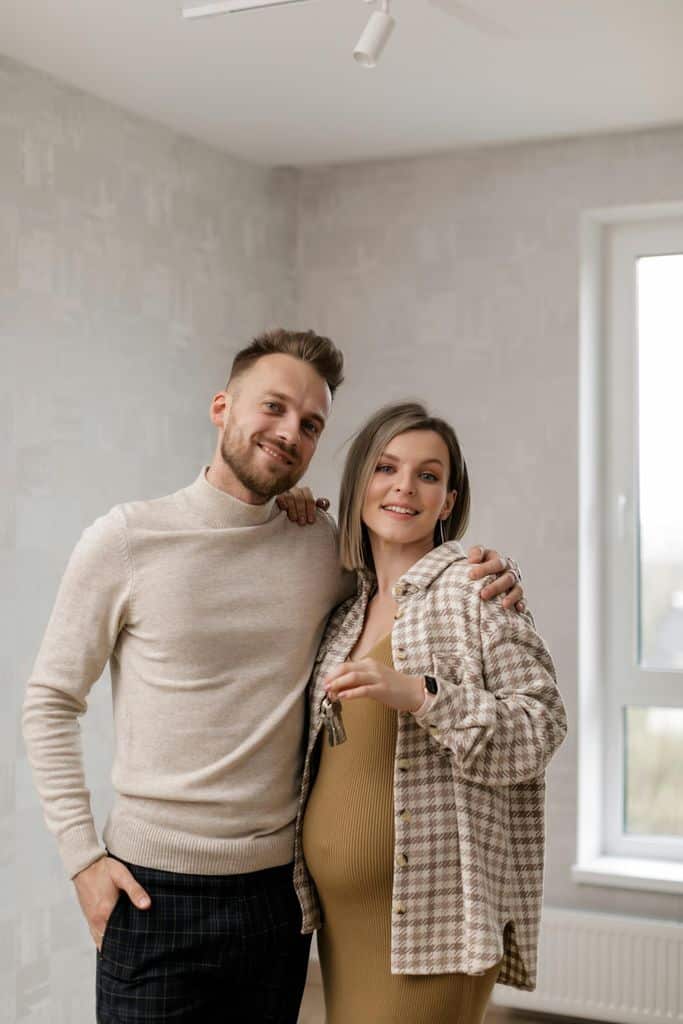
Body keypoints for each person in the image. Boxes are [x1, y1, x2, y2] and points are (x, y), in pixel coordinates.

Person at [21, 330, 526, 1024]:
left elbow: (406, 567)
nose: (289, 432)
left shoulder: (320, 547)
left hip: (276, 898)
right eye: (273, 408)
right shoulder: (126, 541)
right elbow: (49, 702)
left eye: (310, 424)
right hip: (151, 892)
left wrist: (491, 569)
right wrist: (82, 859)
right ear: (222, 407)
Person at [289, 401, 567, 1024]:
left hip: (430, 921)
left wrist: (421, 695)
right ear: (359, 482)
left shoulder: (475, 591)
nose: (404, 488)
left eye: (429, 475)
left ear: (449, 500)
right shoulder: (345, 611)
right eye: (386, 468)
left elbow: (541, 725)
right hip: (345, 919)